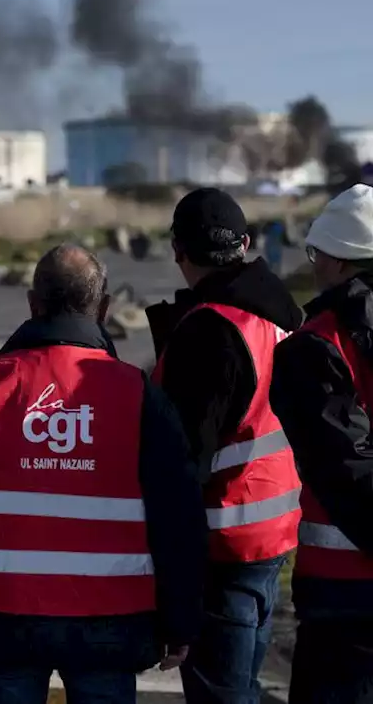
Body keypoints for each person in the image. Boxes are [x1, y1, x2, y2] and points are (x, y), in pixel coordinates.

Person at [0, 244, 206, 704]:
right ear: (105, 308)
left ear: (32, 304)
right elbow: (179, 517)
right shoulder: (138, 395)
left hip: (1, 613)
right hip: (112, 618)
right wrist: (181, 620)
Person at [144, 188, 302, 704]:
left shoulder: (209, 332)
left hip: (224, 544)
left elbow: (182, 461)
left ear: (177, 251)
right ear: (246, 244)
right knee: (245, 686)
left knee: (223, 695)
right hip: (274, 531)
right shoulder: (282, 314)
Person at [270, 183, 373, 702]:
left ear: (338, 260)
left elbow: (346, 468)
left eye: (317, 253)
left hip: (345, 590)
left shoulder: (320, 344)